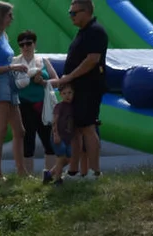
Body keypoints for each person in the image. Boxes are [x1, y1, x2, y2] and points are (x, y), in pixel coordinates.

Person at [55, 0, 107, 179]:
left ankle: (94, 171)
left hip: (89, 88)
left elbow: (92, 59)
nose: (71, 16)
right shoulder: (82, 33)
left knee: (88, 128)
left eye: (73, 13)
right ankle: (75, 170)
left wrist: (70, 77)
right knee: (76, 129)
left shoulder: (95, 31)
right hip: (77, 89)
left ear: (86, 12)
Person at [0, 2, 29, 179]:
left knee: (19, 130)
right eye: (9, 15)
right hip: (0, 85)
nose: (12, 18)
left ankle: (21, 170)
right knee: (1, 130)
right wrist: (12, 67)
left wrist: (15, 68)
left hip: (10, 84)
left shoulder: (3, 36)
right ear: (0, 16)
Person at [13, 31, 58, 177]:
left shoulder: (43, 60)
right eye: (22, 44)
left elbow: (56, 80)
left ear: (34, 44)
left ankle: (49, 173)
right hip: (23, 105)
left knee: (48, 139)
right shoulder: (14, 62)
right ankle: (27, 175)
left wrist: (43, 82)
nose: (26, 47)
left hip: (42, 105)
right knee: (27, 139)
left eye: (29, 43)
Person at [48, 83, 76, 185]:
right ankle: (58, 180)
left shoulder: (73, 107)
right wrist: (55, 134)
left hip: (67, 138)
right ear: (60, 95)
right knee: (60, 158)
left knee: (68, 159)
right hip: (58, 136)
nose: (67, 95)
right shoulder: (59, 106)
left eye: (69, 93)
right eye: (64, 93)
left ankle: (49, 174)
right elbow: (54, 121)